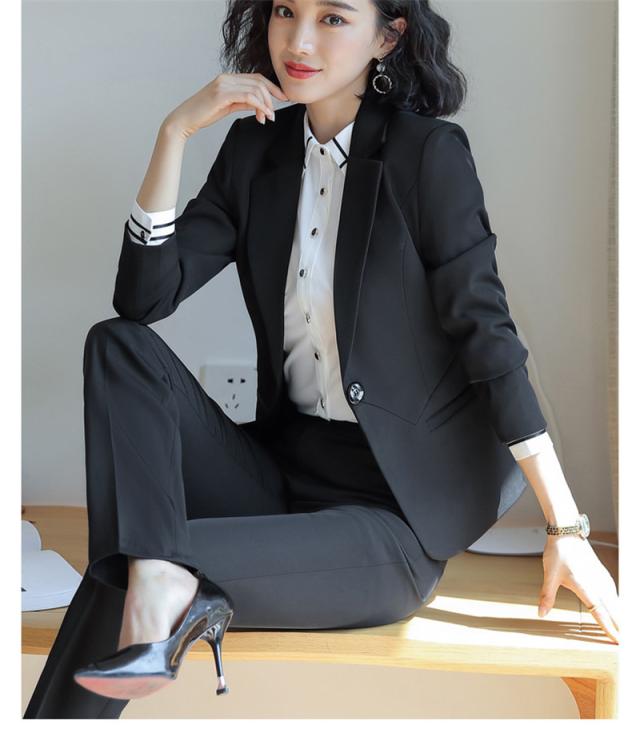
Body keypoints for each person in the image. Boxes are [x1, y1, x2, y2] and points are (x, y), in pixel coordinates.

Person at [24, 0, 620, 719]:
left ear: (388, 37)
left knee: (127, 568)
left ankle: (152, 576)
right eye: (286, 11)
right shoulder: (257, 151)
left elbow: (486, 334)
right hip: (275, 475)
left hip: (388, 520)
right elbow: (143, 301)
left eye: (333, 18)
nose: (299, 40)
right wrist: (174, 132)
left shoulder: (426, 155)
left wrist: (565, 526)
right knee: (116, 345)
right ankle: (158, 570)